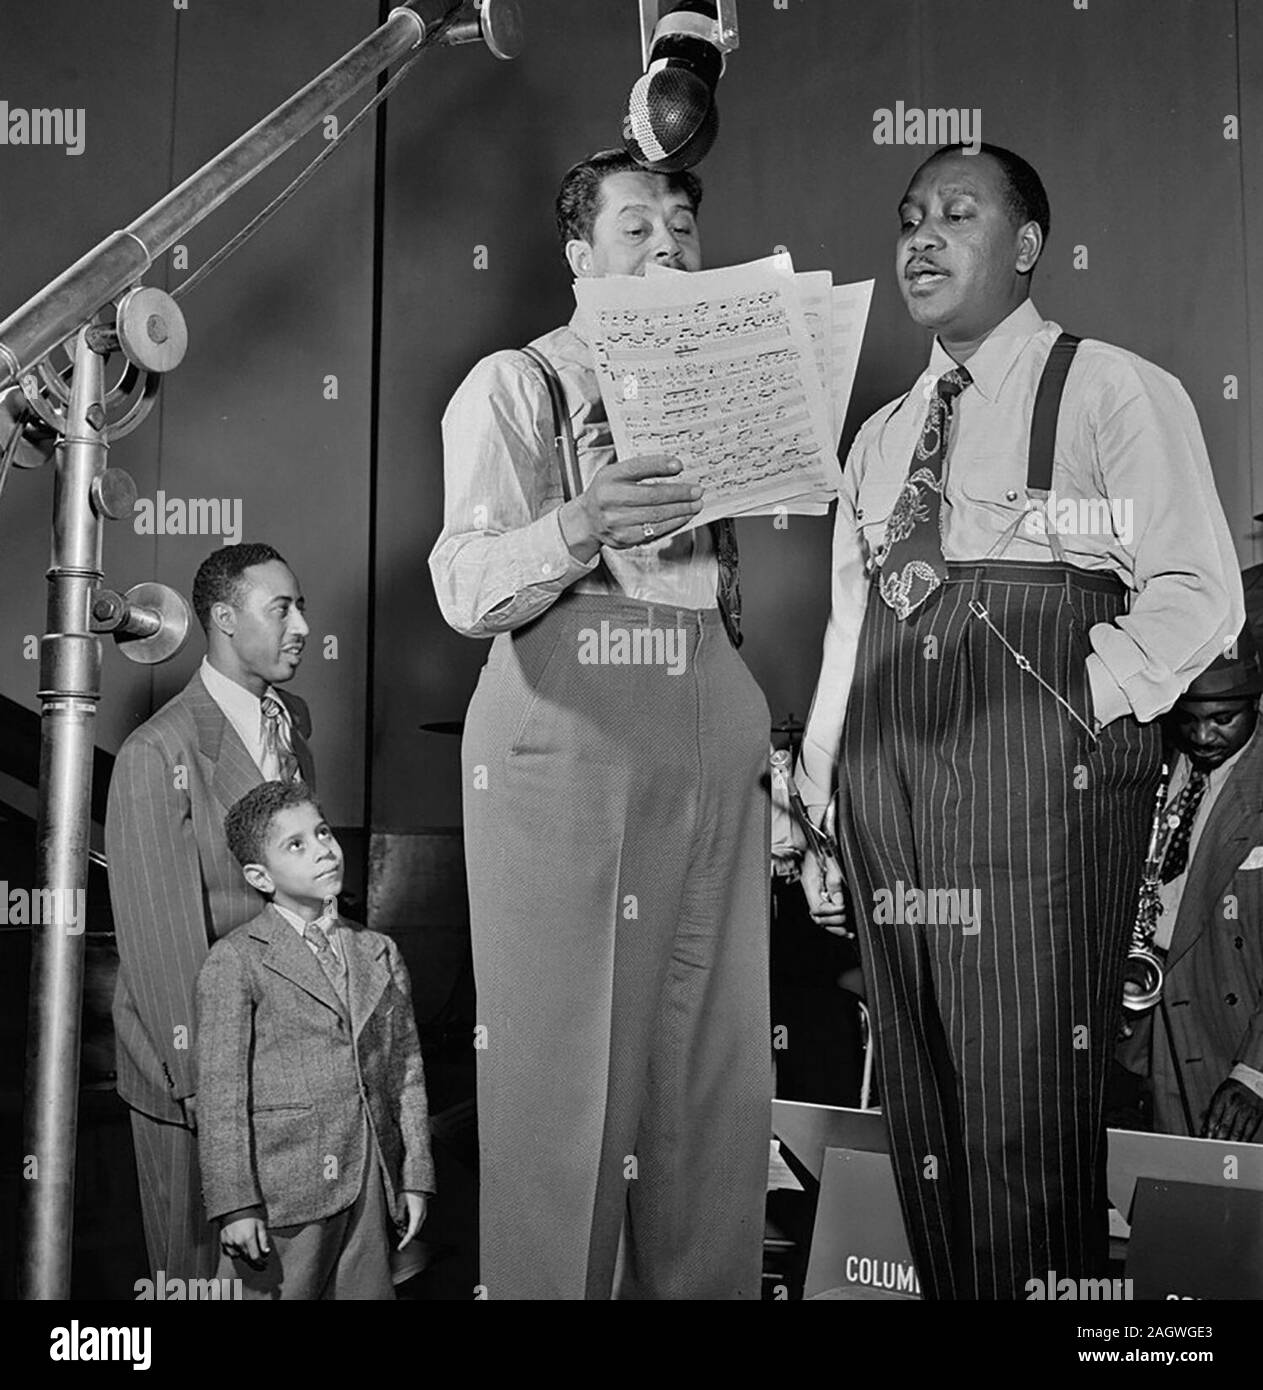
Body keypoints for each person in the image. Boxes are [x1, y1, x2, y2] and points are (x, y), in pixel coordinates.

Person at [793, 141, 1243, 1298]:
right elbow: (850, 631)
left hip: (1043, 791)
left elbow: (1200, 590)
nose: (922, 238)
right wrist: (822, 799)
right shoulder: (885, 435)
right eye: (909, 218)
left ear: (1028, 246)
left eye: (957, 214)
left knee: (1025, 1120)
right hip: (889, 793)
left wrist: (1069, 711)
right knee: (929, 1120)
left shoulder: (1112, 390)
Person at [429, 148, 771, 1300]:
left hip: (712, 710)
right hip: (573, 712)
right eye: (636, 227)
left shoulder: (716, 388)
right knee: (566, 1096)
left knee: (714, 1093)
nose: (667, 246)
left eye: (681, 226)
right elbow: (467, 583)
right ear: (579, 256)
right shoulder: (516, 381)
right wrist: (579, 521)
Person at [105, 542, 314, 1283]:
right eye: (280, 608)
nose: (301, 626)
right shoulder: (155, 751)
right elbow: (163, 953)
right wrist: (211, 1099)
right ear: (224, 619)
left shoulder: (291, 728)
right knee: (197, 1279)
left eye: (300, 606)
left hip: (285, 1068)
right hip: (193, 1078)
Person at [196, 781, 434, 1298]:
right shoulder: (236, 960)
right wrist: (235, 1203)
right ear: (259, 876)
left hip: (371, 1180)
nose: (323, 849)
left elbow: (405, 1072)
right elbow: (220, 1097)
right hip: (284, 1190)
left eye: (323, 832)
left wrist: (415, 1176)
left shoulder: (378, 951)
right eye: (296, 844)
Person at [1116, 627, 1263, 1142]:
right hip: (1143, 1035)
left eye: (1224, 719)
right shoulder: (1148, 759)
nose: (1203, 738)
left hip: (1236, 1042)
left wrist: (1254, 1074)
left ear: (1257, 701)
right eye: (1189, 720)